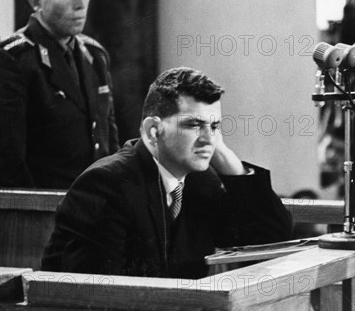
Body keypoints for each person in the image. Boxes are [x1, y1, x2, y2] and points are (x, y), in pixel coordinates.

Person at [41, 67, 292, 279]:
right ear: (153, 130)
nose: (208, 139)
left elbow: (271, 238)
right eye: (194, 124)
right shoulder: (106, 184)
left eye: (215, 126)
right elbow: (91, 293)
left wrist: (226, 158)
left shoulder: (201, 183)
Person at [0, 0, 119, 189]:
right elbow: (4, 171)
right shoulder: (10, 60)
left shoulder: (95, 56)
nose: (80, 4)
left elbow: (110, 150)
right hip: (44, 220)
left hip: (98, 215)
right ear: (35, 2)